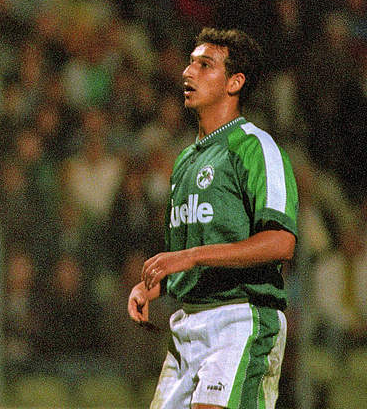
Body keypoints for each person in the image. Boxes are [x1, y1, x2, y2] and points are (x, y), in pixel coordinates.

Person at [127, 27, 298, 409]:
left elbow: (281, 242)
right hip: (188, 325)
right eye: (190, 63)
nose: (188, 72)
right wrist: (154, 287)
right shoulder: (185, 161)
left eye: (205, 65)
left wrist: (189, 257)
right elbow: (188, 257)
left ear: (235, 82)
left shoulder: (255, 147)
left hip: (239, 318)